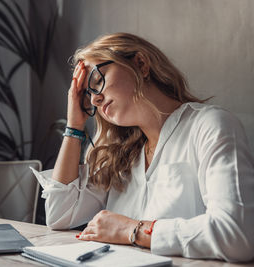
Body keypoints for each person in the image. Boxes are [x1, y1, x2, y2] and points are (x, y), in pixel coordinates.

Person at [31, 32, 254, 262]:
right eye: (88, 95)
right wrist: (74, 126)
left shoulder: (209, 126)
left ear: (140, 64)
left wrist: (133, 230)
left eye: (98, 81)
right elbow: (59, 215)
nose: (95, 99)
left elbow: (237, 235)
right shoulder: (117, 151)